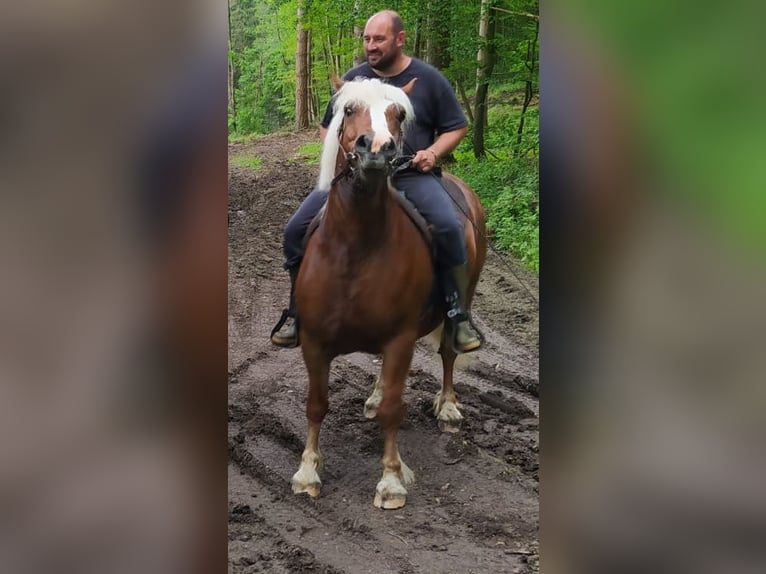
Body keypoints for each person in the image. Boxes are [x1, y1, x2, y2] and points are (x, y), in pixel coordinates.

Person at [271, 9, 482, 353]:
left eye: (379, 39)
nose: (371, 46)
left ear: (400, 39)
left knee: (449, 226)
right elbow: (329, 127)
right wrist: (342, 154)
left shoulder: (428, 79)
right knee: (295, 230)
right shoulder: (353, 80)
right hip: (355, 176)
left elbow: (456, 125)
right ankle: (297, 311)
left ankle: (457, 315)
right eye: (367, 39)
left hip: (410, 173)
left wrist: (432, 151)